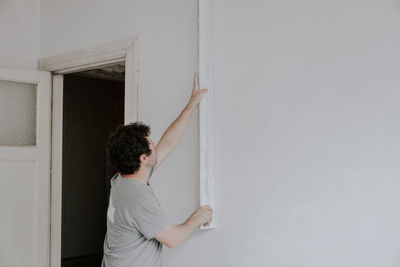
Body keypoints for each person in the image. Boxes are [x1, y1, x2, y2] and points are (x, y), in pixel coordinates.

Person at [101, 73, 213, 267]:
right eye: (151, 144)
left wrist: (191, 105)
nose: (155, 144)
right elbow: (173, 239)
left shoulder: (123, 179)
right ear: (143, 159)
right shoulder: (137, 198)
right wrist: (197, 218)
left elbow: (168, 143)